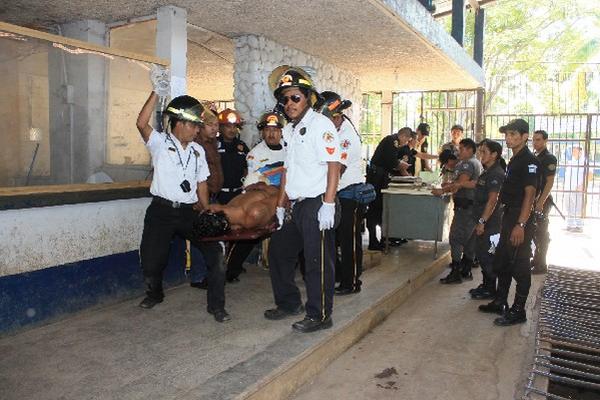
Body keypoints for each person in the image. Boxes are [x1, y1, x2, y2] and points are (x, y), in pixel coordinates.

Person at [135, 91, 229, 322]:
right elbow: (141, 123)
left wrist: (206, 209)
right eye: (194, 125)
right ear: (180, 124)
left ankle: (216, 306)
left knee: (215, 254)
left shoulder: (197, 151)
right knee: (151, 260)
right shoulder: (159, 143)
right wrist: (157, 93)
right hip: (161, 211)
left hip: (189, 212)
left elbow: (202, 183)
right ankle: (154, 294)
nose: (198, 130)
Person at [264, 66, 341, 333]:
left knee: (316, 261)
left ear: (308, 97)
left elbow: (333, 164)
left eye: (295, 97)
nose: (289, 103)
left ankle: (320, 315)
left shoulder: (321, 125)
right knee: (279, 253)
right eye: (284, 99)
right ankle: (288, 303)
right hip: (295, 205)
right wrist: (280, 204)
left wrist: (329, 204)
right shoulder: (290, 130)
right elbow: (288, 169)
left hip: (318, 203)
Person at [479, 118, 540, 326]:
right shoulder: (514, 159)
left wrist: (521, 225)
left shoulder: (529, 161)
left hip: (519, 218)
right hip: (509, 217)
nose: (509, 138)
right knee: (503, 261)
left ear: (525, 137)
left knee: (520, 265)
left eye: (514, 135)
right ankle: (500, 301)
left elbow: (529, 196)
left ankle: (519, 310)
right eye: (507, 134)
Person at [225, 111, 287, 283]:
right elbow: (255, 183)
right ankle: (230, 270)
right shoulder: (255, 154)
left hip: (288, 198)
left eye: (275, 129)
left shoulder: (291, 149)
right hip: (263, 200)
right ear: (262, 132)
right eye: (267, 129)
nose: (271, 133)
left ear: (282, 131)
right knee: (248, 234)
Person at [318, 91, 365, 295]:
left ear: (336, 116)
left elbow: (337, 169)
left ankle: (351, 282)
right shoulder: (334, 132)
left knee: (349, 241)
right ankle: (341, 276)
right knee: (337, 239)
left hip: (350, 195)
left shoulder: (347, 137)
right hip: (338, 194)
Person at [432, 138, 482, 284]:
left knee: (455, 237)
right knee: (470, 239)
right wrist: (451, 184)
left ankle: (455, 272)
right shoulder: (476, 162)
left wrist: (442, 190)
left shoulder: (467, 163)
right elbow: (462, 182)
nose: (458, 152)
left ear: (470, 150)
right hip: (473, 206)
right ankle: (466, 269)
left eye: (461, 149)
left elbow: (461, 183)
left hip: (465, 207)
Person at [467, 140, 506, 300]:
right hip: (483, 221)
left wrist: (482, 221)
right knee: (481, 253)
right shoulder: (487, 171)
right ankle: (486, 284)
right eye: (480, 151)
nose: (480, 155)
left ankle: (491, 289)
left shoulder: (496, 173)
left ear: (494, 154)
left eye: (484, 152)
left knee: (487, 255)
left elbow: (493, 200)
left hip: (491, 223)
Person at [189, 109, 223, 290]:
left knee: (210, 234)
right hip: (202, 196)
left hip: (214, 194)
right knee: (200, 236)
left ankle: (209, 274)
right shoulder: (195, 146)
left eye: (216, 125)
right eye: (210, 125)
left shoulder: (213, 143)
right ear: (200, 127)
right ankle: (198, 276)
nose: (214, 128)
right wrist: (198, 199)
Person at [365, 127, 412, 250]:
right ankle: (373, 241)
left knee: (380, 208)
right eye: (407, 140)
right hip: (377, 178)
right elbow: (391, 162)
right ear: (404, 136)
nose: (406, 143)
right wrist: (401, 165)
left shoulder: (392, 142)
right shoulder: (392, 141)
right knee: (375, 208)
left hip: (380, 176)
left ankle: (381, 239)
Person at [531, 130, 557, 273]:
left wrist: (541, 202)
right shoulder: (535, 157)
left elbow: (549, 182)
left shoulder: (549, 158)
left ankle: (542, 264)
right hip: (533, 200)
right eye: (534, 140)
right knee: (535, 232)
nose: (535, 143)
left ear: (545, 141)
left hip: (543, 201)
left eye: (539, 140)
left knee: (541, 232)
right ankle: (536, 259)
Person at [216, 108, 250, 205]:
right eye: (228, 126)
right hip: (218, 196)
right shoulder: (213, 146)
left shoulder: (242, 146)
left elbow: (248, 167)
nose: (232, 130)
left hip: (239, 195)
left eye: (235, 126)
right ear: (220, 128)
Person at [564, 146, 586, 232]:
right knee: (569, 207)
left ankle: (579, 226)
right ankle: (570, 225)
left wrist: (582, 185)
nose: (573, 152)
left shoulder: (583, 161)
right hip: (568, 188)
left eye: (575, 150)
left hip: (577, 189)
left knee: (578, 207)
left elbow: (590, 174)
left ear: (580, 152)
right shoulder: (572, 161)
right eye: (573, 151)